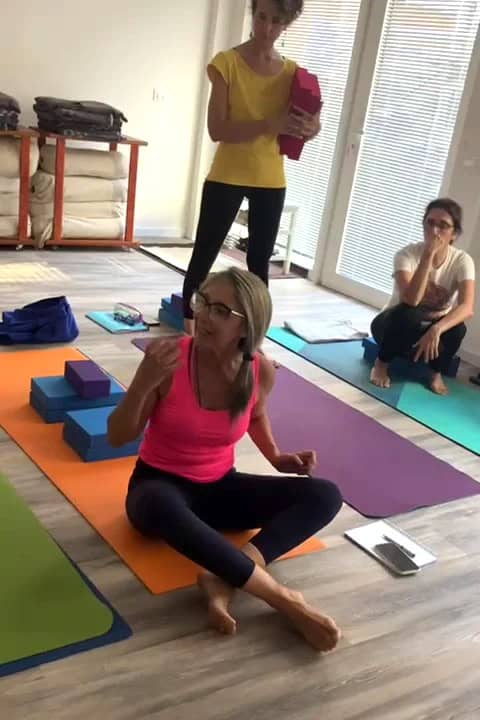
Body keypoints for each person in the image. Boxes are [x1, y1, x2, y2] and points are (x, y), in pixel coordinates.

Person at [108, 268, 343, 651]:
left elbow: (255, 415)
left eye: (220, 311)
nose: (203, 315)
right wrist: (143, 382)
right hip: (159, 487)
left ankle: (223, 577)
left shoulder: (259, 369)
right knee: (156, 502)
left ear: (247, 326)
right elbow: (118, 436)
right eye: (203, 302)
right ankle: (283, 599)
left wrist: (276, 456)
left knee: (325, 495)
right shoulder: (167, 360)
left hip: (219, 487)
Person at [182, 0, 321, 334]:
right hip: (226, 175)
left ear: (287, 24)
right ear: (252, 13)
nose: (267, 28)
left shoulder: (294, 73)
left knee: (259, 263)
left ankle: (253, 338)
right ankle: (189, 332)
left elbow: (308, 124)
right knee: (205, 254)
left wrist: (311, 127)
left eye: (276, 21)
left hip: (270, 179)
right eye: (261, 17)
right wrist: (269, 124)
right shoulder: (226, 63)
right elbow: (218, 130)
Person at [370, 198, 475, 395]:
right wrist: (427, 256)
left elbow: (467, 307)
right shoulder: (406, 255)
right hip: (392, 326)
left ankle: (435, 373)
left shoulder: (462, 260)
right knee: (410, 313)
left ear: (454, 234)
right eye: (430, 223)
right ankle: (381, 363)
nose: (434, 231)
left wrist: (437, 329)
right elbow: (411, 300)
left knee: (458, 328)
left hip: (428, 333)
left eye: (443, 225)